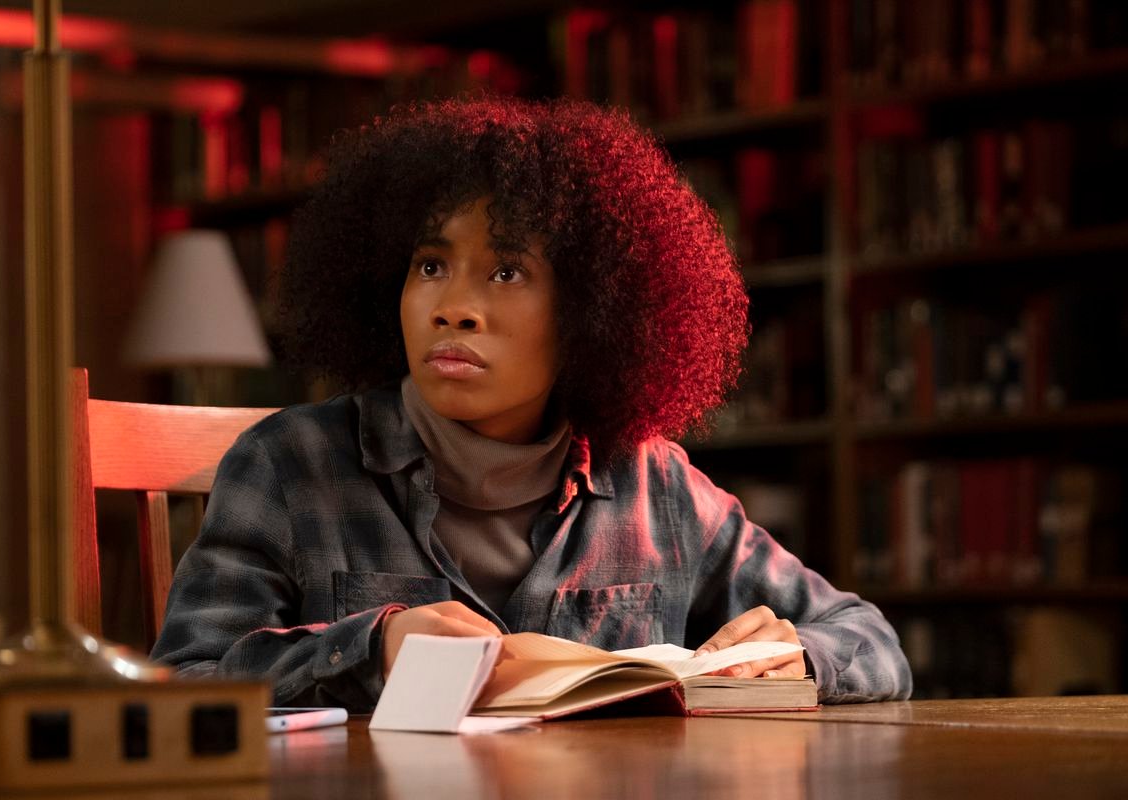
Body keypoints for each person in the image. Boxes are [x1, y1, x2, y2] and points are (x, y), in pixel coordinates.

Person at [151, 95, 912, 707]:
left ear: (591, 310)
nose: (454, 308)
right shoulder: (289, 467)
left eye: (505, 273)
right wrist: (370, 648)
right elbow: (183, 683)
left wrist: (790, 657)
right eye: (430, 265)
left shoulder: (658, 490)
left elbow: (868, 638)